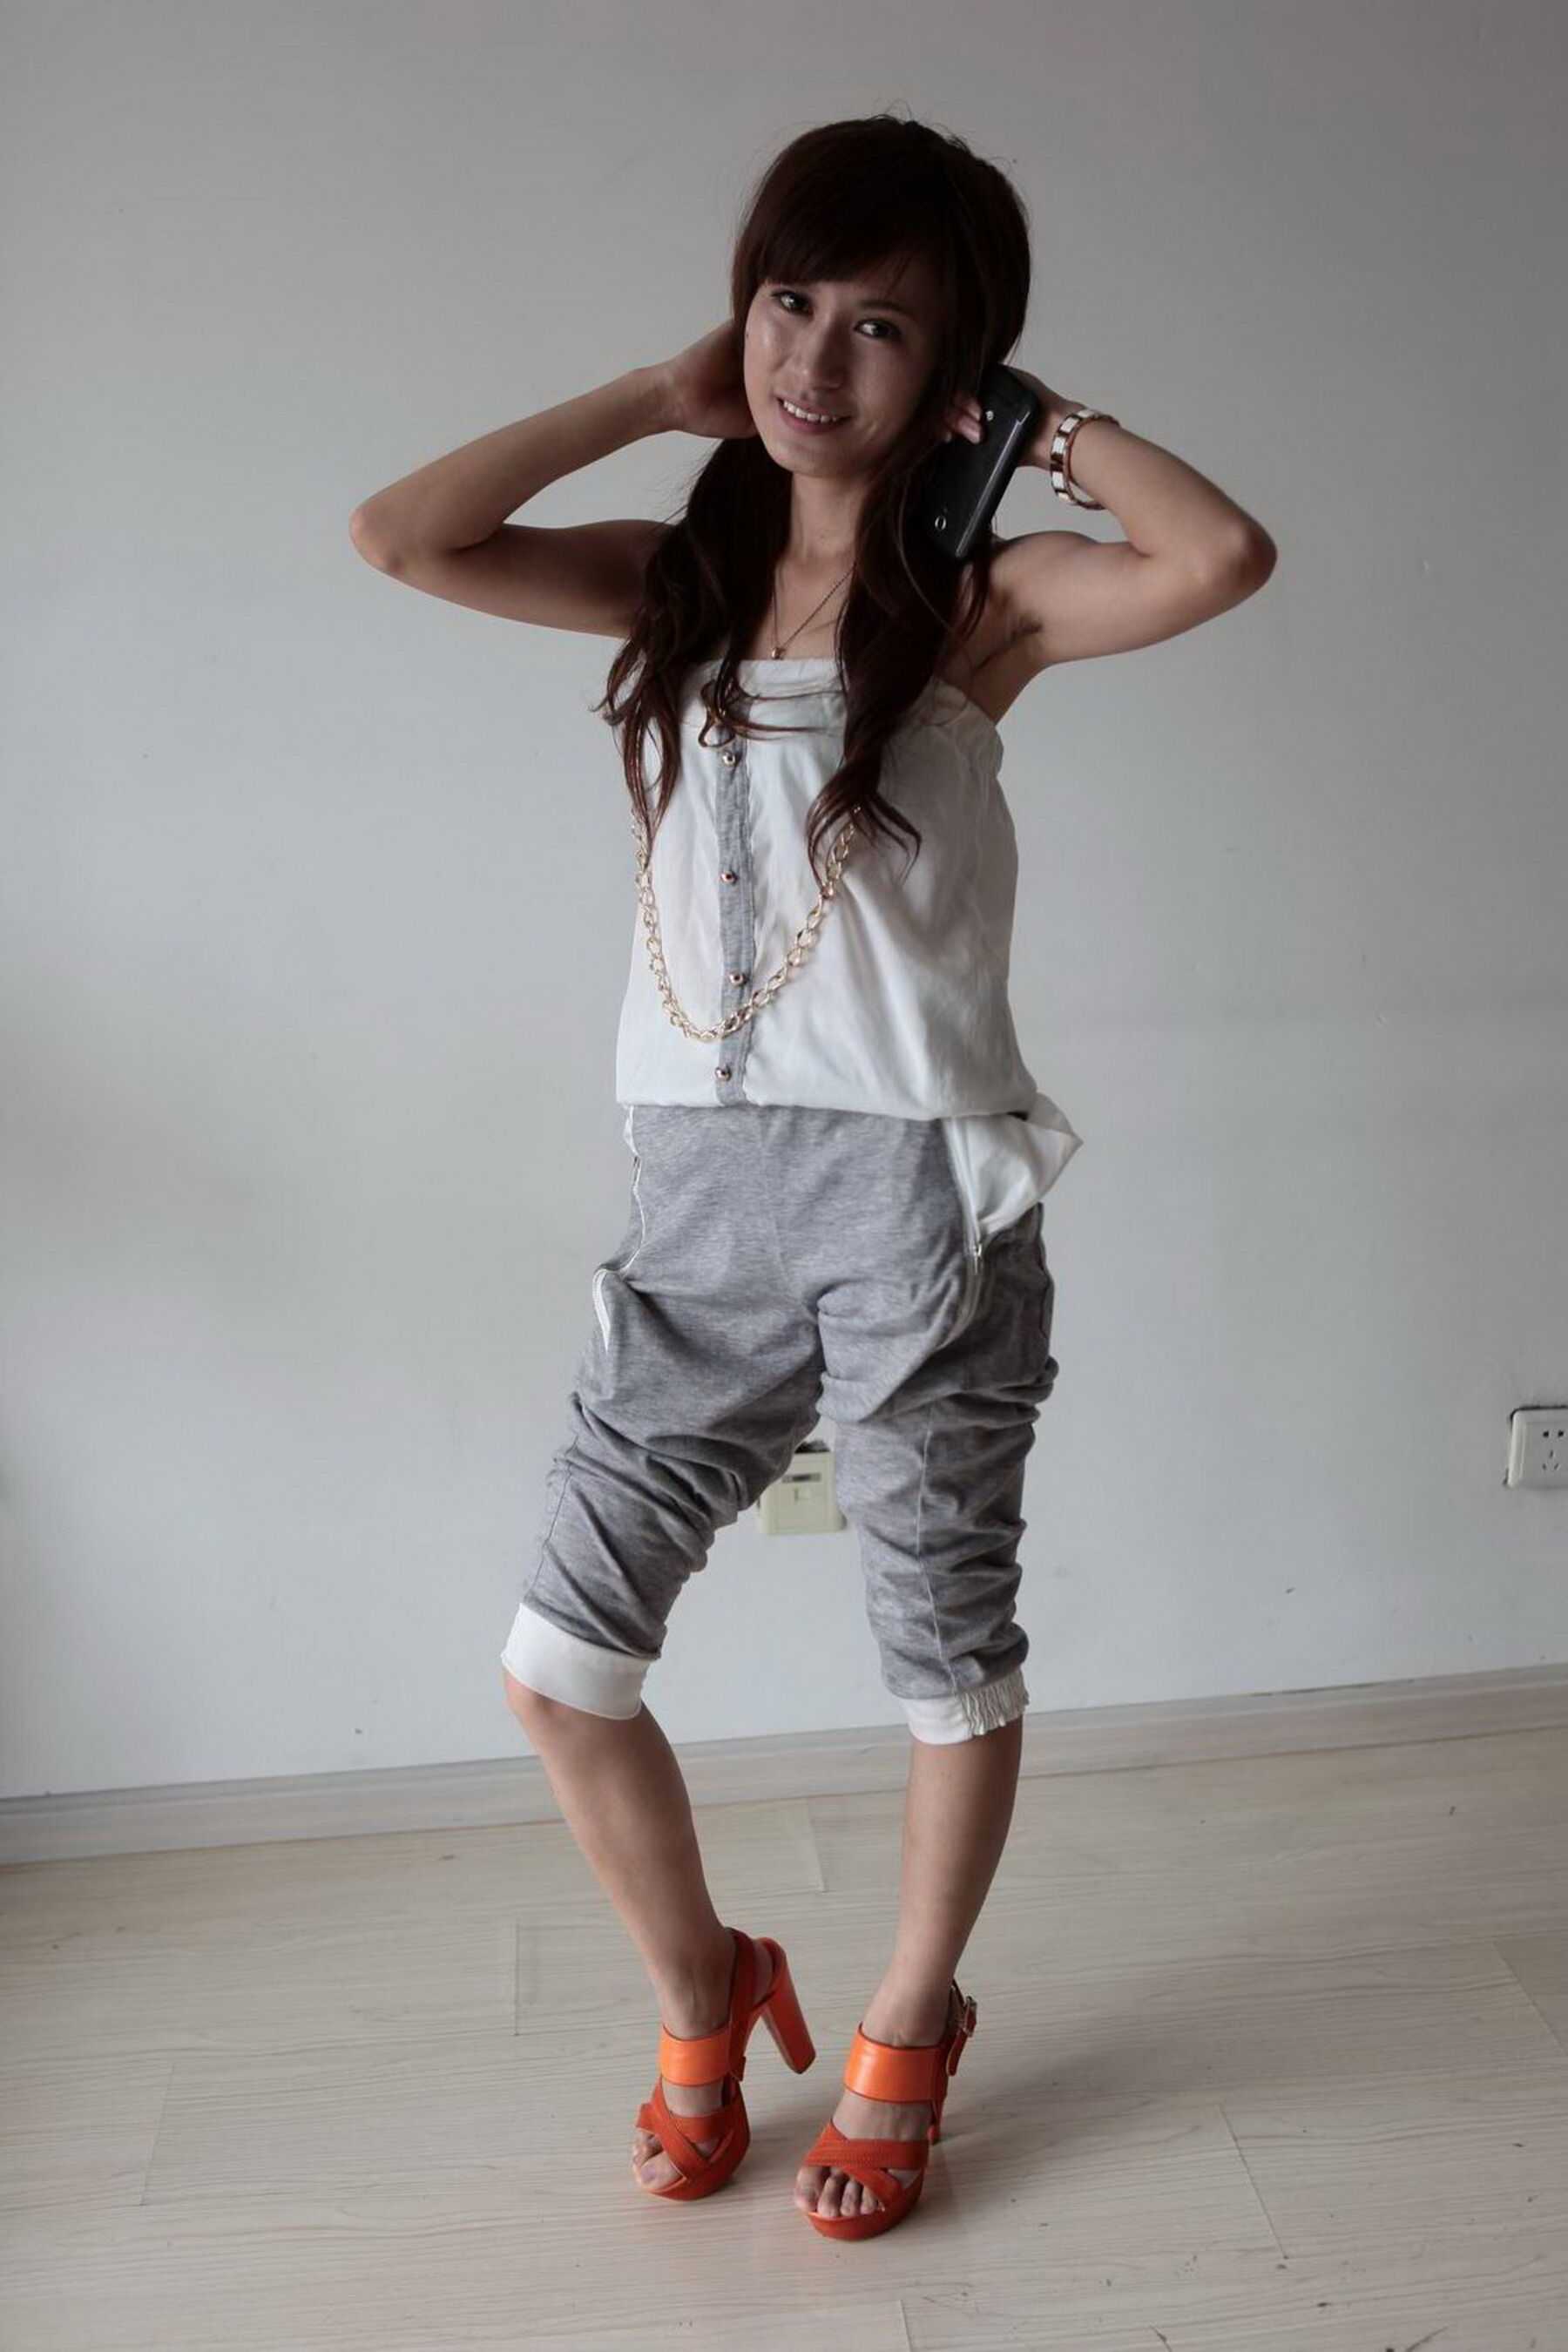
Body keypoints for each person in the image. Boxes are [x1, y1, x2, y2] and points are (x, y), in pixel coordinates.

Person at [349, 112, 1276, 2243]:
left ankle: (912, 2019)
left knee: (942, 1653)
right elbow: (401, 535)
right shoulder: (675, 584)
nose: (812, 358)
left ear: (953, 376)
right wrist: (647, 397)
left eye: (881, 328)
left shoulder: (977, 611)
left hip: (915, 1200)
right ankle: (708, 1982)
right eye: (789, 302)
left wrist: (1046, 429)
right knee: (561, 1663)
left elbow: (1220, 556)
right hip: (694, 1198)